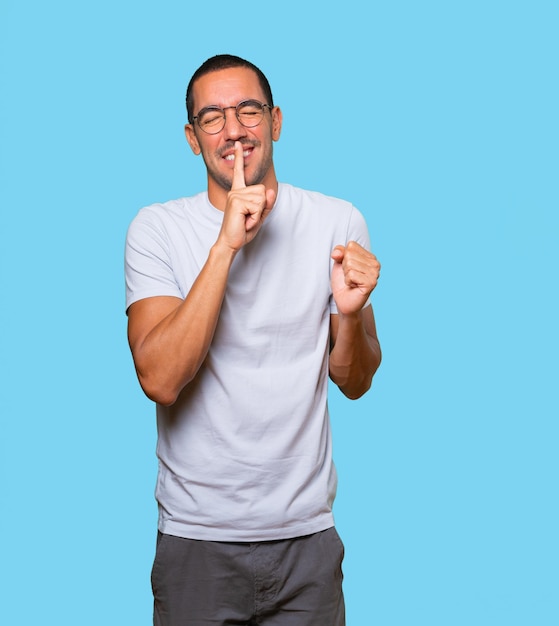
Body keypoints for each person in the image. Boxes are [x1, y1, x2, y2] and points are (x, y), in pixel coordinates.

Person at [125, 54, 382, 626]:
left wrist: (350, 314)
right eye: (212, 118)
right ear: (192, 140)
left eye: (248, 110)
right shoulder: (157, 229)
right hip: (197, 542)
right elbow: (161, 380)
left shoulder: (337, 222)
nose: (234, 129)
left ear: (276, 121)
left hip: (307, 543)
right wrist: (225, 247)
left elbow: (356, 380)